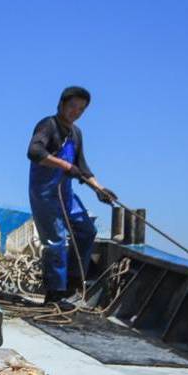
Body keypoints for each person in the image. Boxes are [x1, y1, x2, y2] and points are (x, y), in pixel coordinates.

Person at [27, 87, 116, 306]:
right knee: (55, 241)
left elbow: (82, 167)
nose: (75, 111)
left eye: (81, 109)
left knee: (87, 230)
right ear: (61, 104)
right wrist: (64, 165)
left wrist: (99, 189)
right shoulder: (48, 125)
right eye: (72, 106)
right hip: (45, 193)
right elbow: (34, 152)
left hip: (66, 193)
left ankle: (74, 283)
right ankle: (54, 293)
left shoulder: (76, 133)